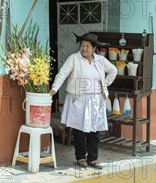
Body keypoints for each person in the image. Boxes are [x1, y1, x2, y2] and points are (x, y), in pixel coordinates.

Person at [49, 33, 117, 169]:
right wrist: (54, 88)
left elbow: (113, 70)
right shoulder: (74, 59)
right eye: (82, 46)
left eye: (87, 46)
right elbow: (62, 74)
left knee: (95, 130)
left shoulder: (100, 60)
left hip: (96, 99)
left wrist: (105, 84)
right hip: (79, 99)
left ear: (94, 48)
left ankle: (93, 158)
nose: (84, 48)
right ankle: (80, 157)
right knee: (79, 130)